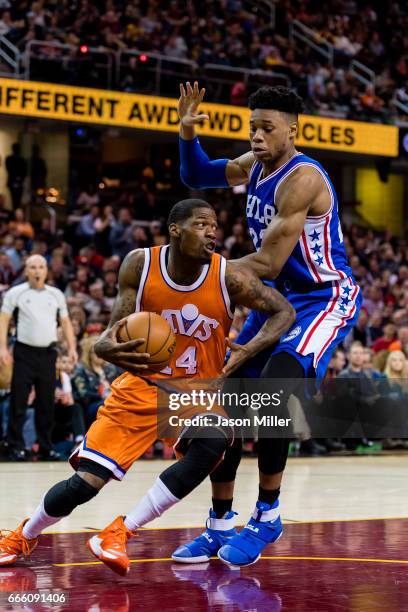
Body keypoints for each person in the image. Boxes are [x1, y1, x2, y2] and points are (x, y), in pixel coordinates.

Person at [0, 199, 295, 575]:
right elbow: (110, 336)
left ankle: (119, 531)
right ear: (176, 229)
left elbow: (284, 311)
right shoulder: (140, 265)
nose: (212, 232)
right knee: (85, 484)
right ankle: (24, 533)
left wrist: (244, 353)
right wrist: (107, 346)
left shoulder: (228, 276)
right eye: (202, 224)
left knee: (215, 440)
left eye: (215, 226)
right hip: (139, 388)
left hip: (193, 394)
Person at [174, 82, 362, 566]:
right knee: (227, 398)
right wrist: (187, 133)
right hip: (275, 300)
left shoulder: (302, 179)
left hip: (321, 296)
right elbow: (195, 173)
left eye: (266, 128)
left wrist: (201, 273)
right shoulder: (254, 165)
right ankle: (219, 524)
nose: (256, 136)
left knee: (276, 386)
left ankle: (268, 513)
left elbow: (271, 261)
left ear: (292, 130)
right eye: (251, 126)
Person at [0, 255, 78, 461]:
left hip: (48, 353)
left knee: (46, 402)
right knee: (19, 401)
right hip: (24, 352)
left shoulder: (56, 294)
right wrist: (2, 348)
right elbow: (4, 319)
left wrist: (72, 347)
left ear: (46, 270)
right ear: (26, 271)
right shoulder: (16, 293)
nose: (37, 271)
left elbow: (66, 322)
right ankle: (14, 445)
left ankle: (45, 447)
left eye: (41, 267)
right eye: (33, 267)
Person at [5, 143, 27, 210]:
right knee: (14, 200)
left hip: (19, 182)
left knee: (17, 201)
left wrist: (19, 179)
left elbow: (24, 171)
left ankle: (17, 213)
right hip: (13, 182)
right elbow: (9, 169)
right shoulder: (9, 158)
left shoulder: (22, 160)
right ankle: (15, 213)